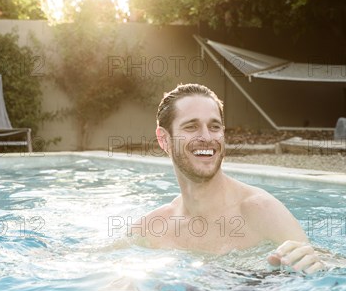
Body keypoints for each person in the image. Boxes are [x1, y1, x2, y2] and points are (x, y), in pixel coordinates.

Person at [135, 83, 326, 274]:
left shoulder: (260, 211)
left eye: (214, 126)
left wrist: (319, 265)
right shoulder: (153, 227)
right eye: (191, 127)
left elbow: (323, 266)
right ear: (163, 139)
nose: (206, 137)